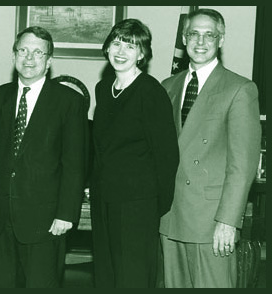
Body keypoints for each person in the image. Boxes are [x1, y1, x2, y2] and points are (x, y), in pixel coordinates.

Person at [0, 26, 88, 288]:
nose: (29, 58)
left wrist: (66, 214)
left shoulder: (69, 102)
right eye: (23, 50)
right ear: (14, 55)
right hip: (3, 217)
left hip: (46, 220)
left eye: (38, 52)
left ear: (48, 61)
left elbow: (74, 164)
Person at [159, 8, 261, 288]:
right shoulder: (167, 86)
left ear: (221, 40)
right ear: (184, 37)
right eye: (194, 34)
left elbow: (242, 165)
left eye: (209, 35)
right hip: (170, 217)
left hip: (211, 221)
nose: (201, 42)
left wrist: (228, 221)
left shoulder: (239, 89)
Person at [89, 19, 179, 288]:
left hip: (137, 204)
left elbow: (167, 156)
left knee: (132, 277)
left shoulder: (151, 92)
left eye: (130, 46)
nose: (121, 51)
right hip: (104, 199)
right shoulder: (103, 89)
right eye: (116, 43)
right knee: (106, 273)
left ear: (142, 54)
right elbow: (100, 149)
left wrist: (153, 205)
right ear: (107, 48)